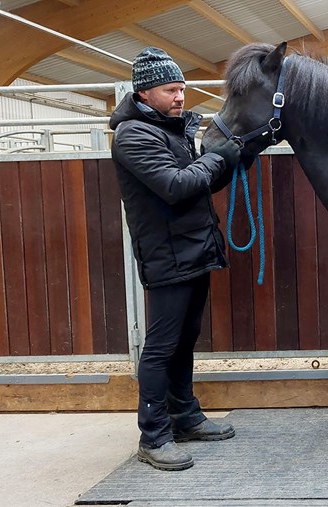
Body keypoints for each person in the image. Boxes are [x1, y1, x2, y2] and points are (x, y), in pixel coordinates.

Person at [109, 47, 242, 471]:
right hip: (167, 254)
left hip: (194, 248)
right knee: (162, 345)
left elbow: (199, 185)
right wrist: (216, 158)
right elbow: (174, 185)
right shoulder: (133, 135)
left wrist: (230, 161)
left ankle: (185, 416)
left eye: (182, 88)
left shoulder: (171, 130)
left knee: (185, 339)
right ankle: (153, 433)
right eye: (171, 90)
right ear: (145, 93)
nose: (181, 96)